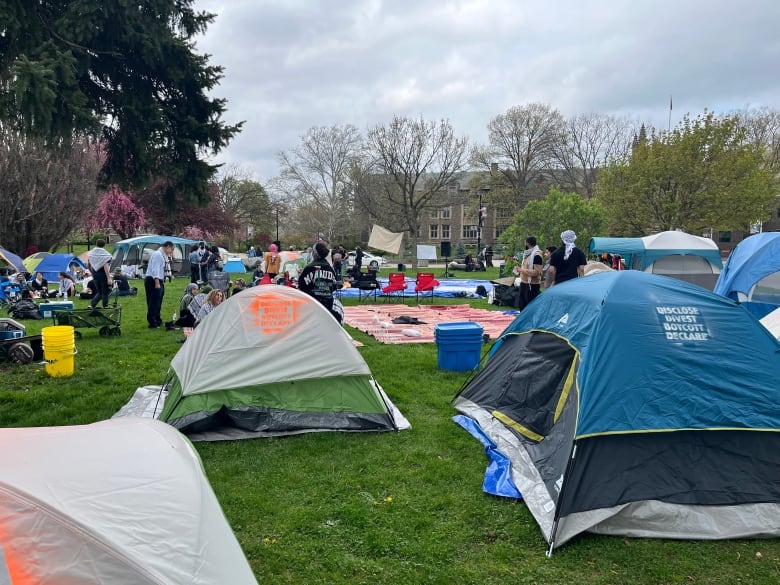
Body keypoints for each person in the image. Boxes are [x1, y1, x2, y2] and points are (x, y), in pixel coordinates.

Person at [298, 242, 341, 323]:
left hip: (312, 305)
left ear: (314, 253)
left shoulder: (309, 268)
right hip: (328, 304)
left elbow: (302, 286)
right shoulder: (329, 268)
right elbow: (334, 285)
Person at [145, 241, 174, 329]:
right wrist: (157, 283)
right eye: (171, 249)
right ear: (167, 246)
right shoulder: (158, 255)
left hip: (158, 280)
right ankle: (152, 322)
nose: (171, 251)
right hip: (153, 280)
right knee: (154, 302)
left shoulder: (162, 255)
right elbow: (155, 269)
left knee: (158, 301)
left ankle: (157, 320)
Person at [518, 236, 543, 310]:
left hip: (532, 285)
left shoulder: (537, 256)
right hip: (524, 282)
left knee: (530, 306)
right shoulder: (527, 254)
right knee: (522, 305)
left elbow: (537, 272)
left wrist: (522, 270)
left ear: (527, 243)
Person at [87, 238, 113, 310]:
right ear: (104, 245)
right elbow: (105, 266)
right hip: (103, 274)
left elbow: (89, 264)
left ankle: (92, 305)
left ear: (96, 244)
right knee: (105, 292)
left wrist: (92, 272)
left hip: (95, 274)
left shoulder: (91, 254)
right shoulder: (106, 255)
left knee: (99, 292)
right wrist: (109, 277)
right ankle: (105, 306)